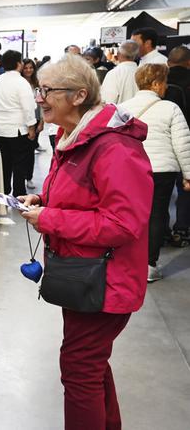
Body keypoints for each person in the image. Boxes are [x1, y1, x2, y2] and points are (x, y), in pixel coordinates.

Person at [18, 54, 153, 430]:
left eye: (47, 90)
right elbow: (84, 196)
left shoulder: (113, 147)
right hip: (83, 276)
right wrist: (44, 202)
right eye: (38, 88)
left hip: (103, 281)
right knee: (89, 363)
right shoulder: (74, 136)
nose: (39, 98)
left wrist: (50, 218)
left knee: (80, 369)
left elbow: (123, 223)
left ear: (78, 96)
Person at [119, 64, 190, 282]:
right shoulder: (170, 108)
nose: (166, 87)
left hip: (131, 169)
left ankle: (127, 260)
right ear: (156, 84)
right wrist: (188, 174)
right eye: (165, 82)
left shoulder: (121, 108)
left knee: (130, 214)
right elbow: (182, 143)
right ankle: (149, 265)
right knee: (157, 214)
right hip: (162, 171)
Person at [0, 50, 37, 196]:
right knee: (19, 165)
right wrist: (31, 127)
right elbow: (28, 108)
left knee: (4, 165)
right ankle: (19, 196)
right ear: (19, 63)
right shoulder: (21, 82)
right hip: (17, 130)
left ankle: (4, 195)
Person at [165, 46, 190, 246]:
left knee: (160, 192)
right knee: (185, 187)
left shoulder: (158, 81)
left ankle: (163, 231)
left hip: (162, 144)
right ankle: (182, 228)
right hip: (187, 140)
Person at [22, 58, 44, 187]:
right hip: (21, 121)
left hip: (35, 120)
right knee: (22, 151)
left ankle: (28, 177)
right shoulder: (19, 83)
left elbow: (42, 104)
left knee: (30, 151)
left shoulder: (37, 84)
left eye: (31, 67)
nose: (28, 70)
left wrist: (42, 122)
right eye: (26, 68)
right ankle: (21, 175)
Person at [100, 40, 139, 104]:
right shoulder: (143, 72)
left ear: (118, 54)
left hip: (120, 113)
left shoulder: (114, 73)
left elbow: (107, 101)